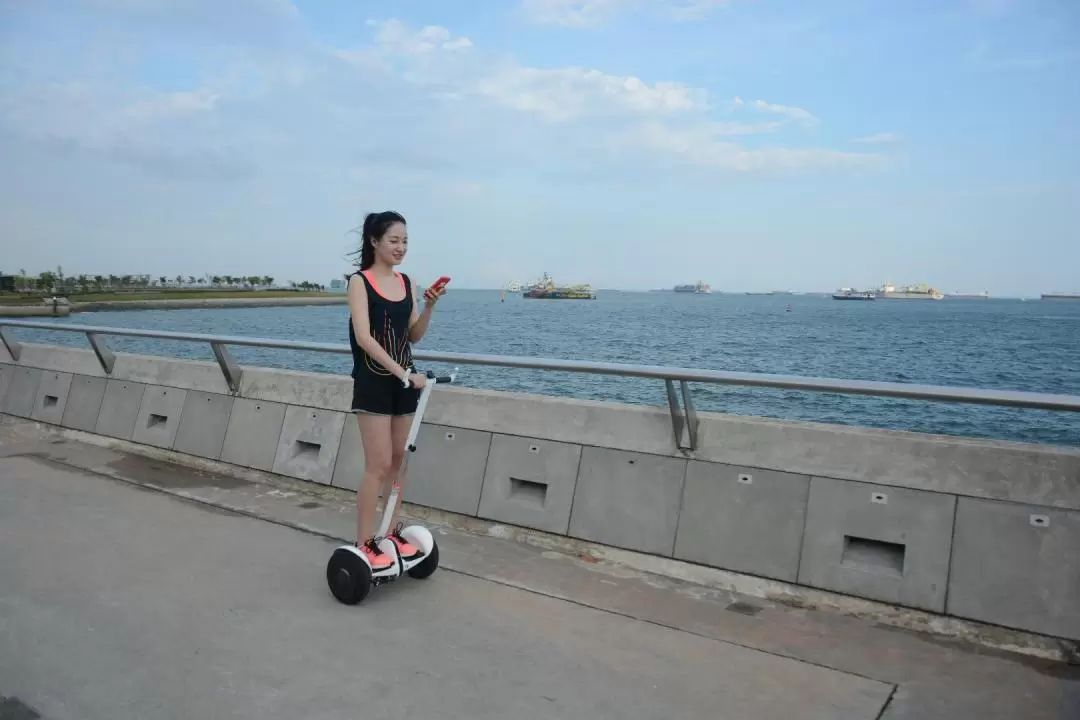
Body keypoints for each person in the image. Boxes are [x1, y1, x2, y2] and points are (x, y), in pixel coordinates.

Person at [345, 210, 446, 570]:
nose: (401, 247)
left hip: (406, 381)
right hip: (375, 381)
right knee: (378, 464)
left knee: (400, 461)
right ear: (375, 241)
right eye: (394, 240)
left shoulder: (408, 283)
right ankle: (364, 542)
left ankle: (388, 534)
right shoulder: (360, 281)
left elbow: (413, 336)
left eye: (405, 241)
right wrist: (403, 373)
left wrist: (430, 305)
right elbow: (364, 337)